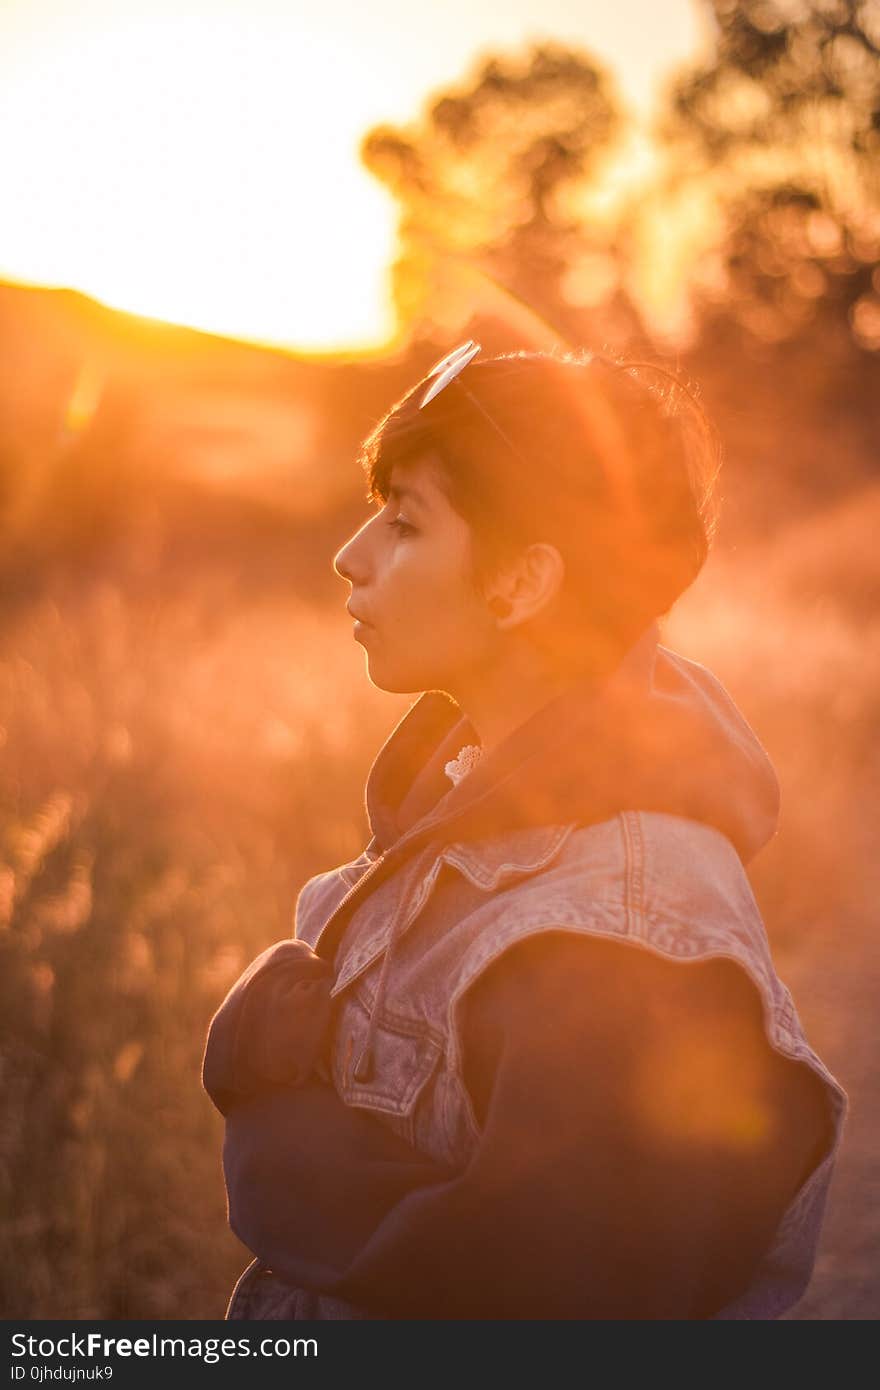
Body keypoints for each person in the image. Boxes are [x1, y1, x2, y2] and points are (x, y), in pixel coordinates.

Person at [203, 341, 847, 1320]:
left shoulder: (618, 941)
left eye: (404, 521)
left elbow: (533, 1288)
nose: (352, 554)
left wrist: (274, 1127)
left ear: (521, 583)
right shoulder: (464, 807)